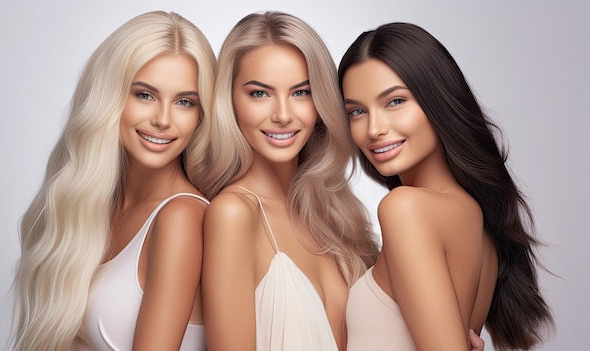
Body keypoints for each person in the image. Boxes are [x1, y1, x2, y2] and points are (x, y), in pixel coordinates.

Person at [338, 22, 554, 350]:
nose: (374, 128)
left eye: (394, 101)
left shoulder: (405, 208)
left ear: (437, 98)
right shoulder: (476, 219)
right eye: (356, 111)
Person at [10, 10, 216, 351]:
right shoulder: (89, 206)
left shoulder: (181, 218)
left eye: (184, 102)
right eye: (145, 95)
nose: (163, 119)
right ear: (108, 97)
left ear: (201, 114)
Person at [193, 11, 380, 351]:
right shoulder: (233, 215)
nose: (282, 114)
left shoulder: (337, 214)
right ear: (229, 101)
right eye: (259, 94)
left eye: (301, 92)